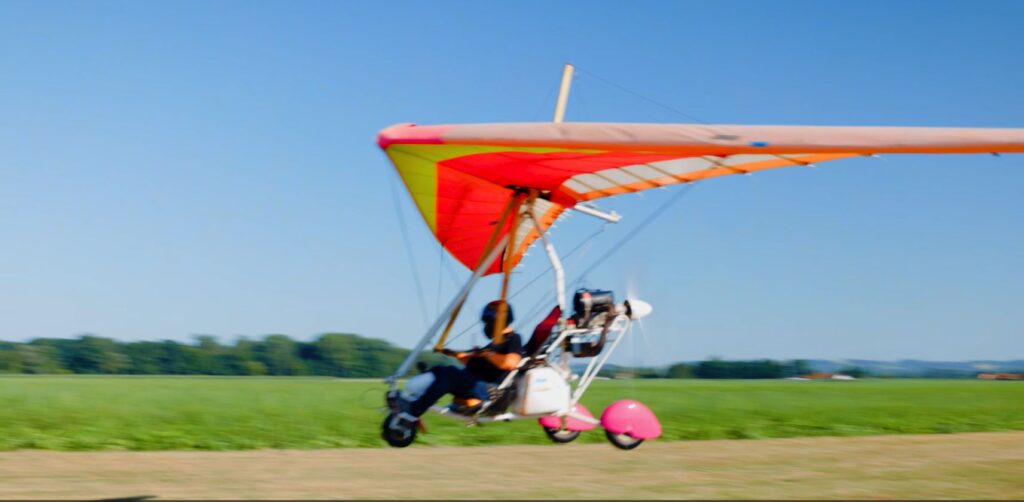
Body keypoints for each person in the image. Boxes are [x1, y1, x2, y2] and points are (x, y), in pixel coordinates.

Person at [397, 300, 524, 422]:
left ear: (500, 321)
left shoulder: (513, 339)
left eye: (489, 322)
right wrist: (452, 354)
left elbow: (511, 363)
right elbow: (471, 360)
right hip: (475, 384)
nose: (487, 326)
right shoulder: (494, 344)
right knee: (441, 370)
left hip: (489, 391)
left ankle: (414, 410)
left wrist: (487, 354)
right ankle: (415, 397)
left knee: (449, 374)